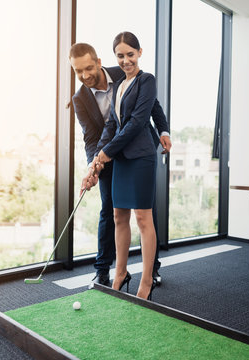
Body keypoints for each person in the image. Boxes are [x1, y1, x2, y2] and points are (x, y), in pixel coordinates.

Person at [69, 43, 171, 287]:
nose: (85, 76)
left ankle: (152, 269)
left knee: (145, 212)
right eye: (78, 71)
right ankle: (104, 270)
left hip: (136, 150)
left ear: (99, 62)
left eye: (88, 68)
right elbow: (91, 137)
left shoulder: (122, 72)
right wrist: (93, 166)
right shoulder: (79, 99)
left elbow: (151, 105)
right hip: (107, 153)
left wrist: (163, 129)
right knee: (110, 211)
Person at [93, 31, 164, 300]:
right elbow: (112, 124)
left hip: (141, 157)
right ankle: (120, 273)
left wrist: (108, 152)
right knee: (118, 216)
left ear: (139, 53)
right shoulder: (120, 86)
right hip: (122, 159)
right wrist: (100, 155)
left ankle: (146, 281)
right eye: (120, 56)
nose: (125, 60)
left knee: (143, 218)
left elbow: (137, 122)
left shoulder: (147, 81)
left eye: (130, 54)